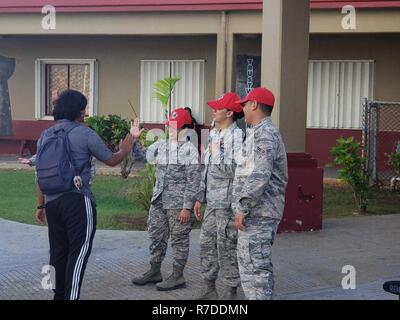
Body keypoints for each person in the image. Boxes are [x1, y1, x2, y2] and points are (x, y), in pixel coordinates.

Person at [35, 89, 137, 300]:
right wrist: (125, 149)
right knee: (79, 253)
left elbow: (39, 173)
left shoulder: (45, 135)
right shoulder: (85, 133)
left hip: (52, 203)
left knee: (57, 252)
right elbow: (110, 159)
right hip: (78, 201)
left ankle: (57, 295)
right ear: (80, 112)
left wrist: (41, 205)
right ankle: (70, 297)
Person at [131, 108, 201, 291]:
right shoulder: (161, 145)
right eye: (169, 125)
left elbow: (194, 182)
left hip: (178, 205)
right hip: (159, 200)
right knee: (156, 235)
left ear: (186, 129)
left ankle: (177, 276)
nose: (170, 129)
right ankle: (155, 271)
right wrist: (134, 139)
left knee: (179, 240)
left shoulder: (189, 151)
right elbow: (141, 157)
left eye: (174, 126)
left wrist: (187, 207)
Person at [232, 87, 288, 300]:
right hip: (256, 212)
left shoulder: (265, 134)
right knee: (253, 267)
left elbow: (260, 174)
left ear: (254, 104)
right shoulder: (258, 132)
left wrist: (243, 206)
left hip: (259, 212)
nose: (243, 109)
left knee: (256, 271)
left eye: (245, 104)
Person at [193, 92, 245, 300]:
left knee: (227, 247)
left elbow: (236, 170)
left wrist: (216, 153)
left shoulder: (238, 138)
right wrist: (200, 197)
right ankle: (209, 287)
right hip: (212, 202)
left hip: (227, 203)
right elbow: (206, 169)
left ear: (230, 112)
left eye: (218, 107)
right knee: (206, 244)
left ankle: (230, 291)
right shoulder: (214, 133)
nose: (213, 110)